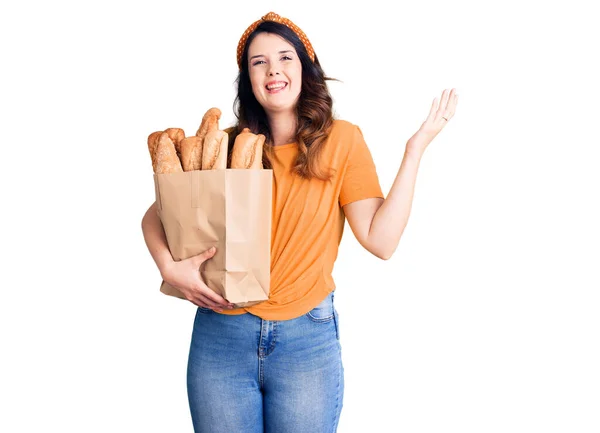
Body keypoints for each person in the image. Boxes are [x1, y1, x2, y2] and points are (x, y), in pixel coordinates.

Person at [141, 11, 458, 433]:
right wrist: (168, 266)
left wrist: (414, 150)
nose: (273, 69)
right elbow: (158, 211)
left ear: (305, 69)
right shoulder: (231, 145)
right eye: (259, 62)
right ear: (248, 81)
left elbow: (381, 240)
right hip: (221, 337)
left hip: (306, 340)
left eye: (285, 57)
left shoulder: (341, 140)